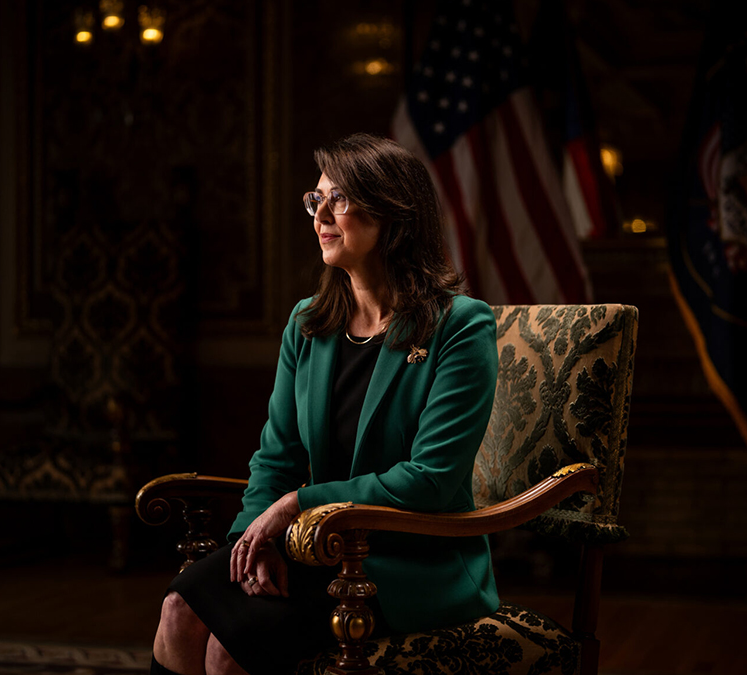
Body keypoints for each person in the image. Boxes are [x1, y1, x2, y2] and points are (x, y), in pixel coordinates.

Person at [150, 133, 499, 675]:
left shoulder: (460, 325)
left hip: (406, 560)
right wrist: (252, 539)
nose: (321, 214)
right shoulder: (309, 323)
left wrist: (296, 506)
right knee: (178, 610)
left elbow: (431, 479)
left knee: (229, 650)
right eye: (316, 199)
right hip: (313, 546)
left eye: (339, 199)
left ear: (393, 212)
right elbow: (276, 455)